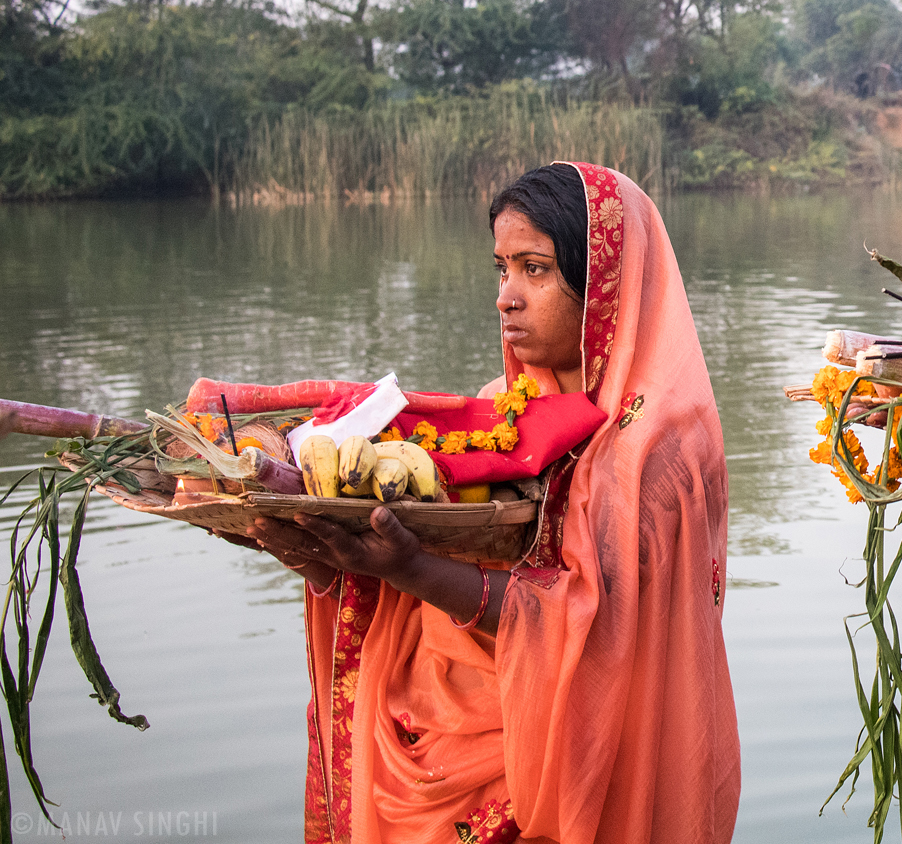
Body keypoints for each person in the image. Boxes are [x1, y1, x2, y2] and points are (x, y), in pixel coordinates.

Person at [244, 162, 740, 843]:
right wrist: (320, 549)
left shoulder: (657, 449)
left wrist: (412, 570)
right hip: (436, 742)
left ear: (606, 286)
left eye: (535, 269)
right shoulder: (504, 408)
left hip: (562, 771)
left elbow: (601, 635)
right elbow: (419, 564)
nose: (507, 296)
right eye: (502, 268)